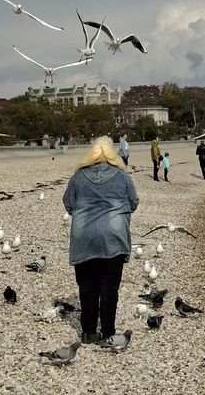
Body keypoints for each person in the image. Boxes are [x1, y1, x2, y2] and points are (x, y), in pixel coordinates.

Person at [62, 136, 139, 344]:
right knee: (109, 288)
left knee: (86, 286)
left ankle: (88, 332)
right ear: (113, 153)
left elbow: (68, 204)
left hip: (84, 237)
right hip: (113, 238)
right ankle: (107, 332)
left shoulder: (78, 177)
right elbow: (133, 202)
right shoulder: (122, 177)